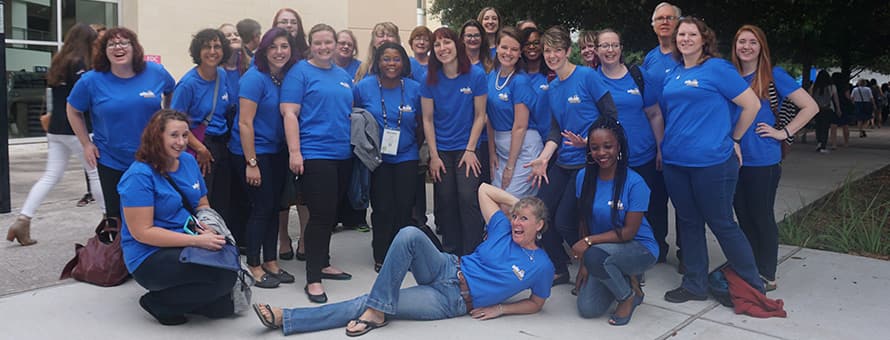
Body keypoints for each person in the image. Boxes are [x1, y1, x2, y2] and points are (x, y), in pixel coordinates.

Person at [251, 183, 554, 336]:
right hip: (447, 265)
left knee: (369, 301)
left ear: (539, 225)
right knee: (409, 233)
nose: (516, 222)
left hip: (452, 299)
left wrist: (501, 308)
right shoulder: (502, 227)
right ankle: (378, 312)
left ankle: (286, 317)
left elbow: (536, 303)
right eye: (516, 217)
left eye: (525, 219)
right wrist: (523, 204)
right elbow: (485, 190)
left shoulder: (540, 265)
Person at [660, 17, 765, 303]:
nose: (685, 39)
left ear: (704, 39)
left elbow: (751, 105)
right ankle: (694, 285)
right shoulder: (674, 72)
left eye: (692, 34)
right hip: (675, 162)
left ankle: (752, 284)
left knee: (721, 223)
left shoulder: (717, 69)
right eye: (681, 34)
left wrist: (734, 139)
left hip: (712, 162)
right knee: (689, 222)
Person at [119, 109, 236, 326]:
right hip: (150, 254)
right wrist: (196, 241)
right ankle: (157, 303)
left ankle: (189, 297)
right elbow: (142, 232)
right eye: (174, 135)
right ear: (157, 136)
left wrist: (208, 229)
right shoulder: (139, 176)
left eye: (185, 135)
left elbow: (202, 204)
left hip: (188, 240)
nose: (181, 142)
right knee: (223, 278)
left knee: (225, 300)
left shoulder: (189, 162)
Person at [525, 26, 616, 286]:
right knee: (538, 213)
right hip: (563, 161)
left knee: (565, 221)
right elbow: (556, 130)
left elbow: (611, 117)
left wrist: (589, 142)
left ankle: (592, 267)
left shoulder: (587, 76)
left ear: (567, 51)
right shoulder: (552, 87)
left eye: (556, 50)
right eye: (547, 50)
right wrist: (543, 158)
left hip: (588, 162)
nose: (551, 55)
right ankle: (559, 266)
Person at [731, 25, 818, 291]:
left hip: (763, 160)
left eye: (752, 42)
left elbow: (811, 106)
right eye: (741, 41)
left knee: (761, 216)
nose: (746, 46)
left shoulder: (773, 76)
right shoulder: (729, 76)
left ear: (762, 47)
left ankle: (767, 274)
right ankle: (750, 266)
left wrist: (784, 132)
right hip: (734, 160)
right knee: (743, 216)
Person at [67, 27, 175, 226]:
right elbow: (73, 110)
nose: (118, 47)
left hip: (151, 156)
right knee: (117, 217)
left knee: (157, 212)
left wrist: (165, 119)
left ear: (134, 47)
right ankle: (118, 255)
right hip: (111, 159)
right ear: (104, 51)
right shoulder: (91, 80)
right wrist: (86, 144)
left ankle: (153, 254)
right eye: (111, 44)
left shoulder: (155, 72)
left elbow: (171, 90)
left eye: (124, 42)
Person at [7, 23, 103, 246]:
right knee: (96, 173)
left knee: (51, 176)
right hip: (77, 128)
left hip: (56, 128)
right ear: (87, 42)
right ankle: (110, 221)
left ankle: (23, 220)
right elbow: (86, 97)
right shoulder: (81, 65)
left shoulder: (58, 61)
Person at [281, 24, 355, 303]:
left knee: (331, 214)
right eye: (318, 43)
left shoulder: (343, 75)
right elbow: (289, 113)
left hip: (342, 155)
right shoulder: (300, 72)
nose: (324, 47)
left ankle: (323, 262)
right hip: (314, 153)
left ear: (336, 44)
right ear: (310, 45)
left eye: (329, 42)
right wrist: (295, 152)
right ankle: (313, 279)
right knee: (320, 216)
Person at [591, 28, 668, 263]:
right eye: (604, 45)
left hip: (643, 153)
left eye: (614, 45)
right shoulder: (592, 78)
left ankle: (656, 250)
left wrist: (660, 148)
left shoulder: (638, 75)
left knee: (653, 205)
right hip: (611, 158)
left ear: (621, 48)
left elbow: (654, 113)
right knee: (618, 207)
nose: (610, 50)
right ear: (596, 50)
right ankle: (625, 254)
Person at [571, 116, 658, 326]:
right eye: (595, 147)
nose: (601, 153)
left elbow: (628, 232)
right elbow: (584, 220)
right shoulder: (584, 177)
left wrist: (589, 244)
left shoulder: (635, 183)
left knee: (596, 256)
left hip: (639, 248)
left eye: (607, 146)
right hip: (601, 251)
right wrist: (585, 263)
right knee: (587, 309)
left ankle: (628, 297)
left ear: (618, 146)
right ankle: (627, 280)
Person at [229, 27, 297, 289]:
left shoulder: (283, 77)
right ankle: (254, 265)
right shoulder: (254, 78)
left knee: (273, 208)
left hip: (276, 151)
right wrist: (251, 163)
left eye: (284, 46)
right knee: (261, 209)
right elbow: (245, 123)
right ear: (264, 50)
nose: (279, 52)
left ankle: (271, 260)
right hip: (254, 153)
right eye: (273, 47)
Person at [354, 42, 422, 272]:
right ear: (378, 62)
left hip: (407, 156)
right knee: (382, 208)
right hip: (377, 159)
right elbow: (354, 117)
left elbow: (423, 122)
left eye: (396, 59)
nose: (391, 64)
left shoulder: (414, 88)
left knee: (404, 207)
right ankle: (381, 254)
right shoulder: (364, 87)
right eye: (386, 59)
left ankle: (403, 254)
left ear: (403, 62)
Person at [421, 27, 488, 256]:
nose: (442, 49)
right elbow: (427, 119)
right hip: (442, 150)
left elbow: (480, 116)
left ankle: (472, 252)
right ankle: (450, 252)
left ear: (456, 45)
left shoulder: (476, 75)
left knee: (468, 197)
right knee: (446, 199)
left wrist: (470, 149)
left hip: (467, 148)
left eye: (446, 43)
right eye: (437, 45)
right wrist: (434, 155)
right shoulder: (429, 79)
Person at [170, 28, 232, 212]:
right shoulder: (188, 84)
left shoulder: (222, 75)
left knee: (223, 200)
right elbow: (174, 123)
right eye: (207, 47)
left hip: (222, 144)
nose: (212, 51)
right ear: (198, 51)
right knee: (202, 201)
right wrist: (201, 149)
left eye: (217, 46)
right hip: (200, 146)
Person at [486, 26, 541, 197]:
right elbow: (488, 118)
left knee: (509, 203)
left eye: (514, 49)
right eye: (504, 47)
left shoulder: (520, 81)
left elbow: (520, 126)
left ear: (520, 53)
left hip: (523, 149)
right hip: (501, 148)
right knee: (494, 199)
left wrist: (510, 167)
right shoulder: (491, 76)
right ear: (497, 47)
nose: (508, 53)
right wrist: (492, 153)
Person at [460, 20, 494, 186]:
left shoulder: (491, 65)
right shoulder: (456, 66)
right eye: (469, 35)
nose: (472, 39)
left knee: (485, 182)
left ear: (482, 38)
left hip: (488, 134)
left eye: (476, 35)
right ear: (462, 39)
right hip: (464, 134)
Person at [518, 27, 552, 142]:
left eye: (536, 43)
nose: (531, 47)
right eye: (527, 44)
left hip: (550, 140)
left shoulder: (552, 74)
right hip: (524, 141)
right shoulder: (516, 76)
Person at [642, 2, 682, 77]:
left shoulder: (687, 54)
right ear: (653, 25)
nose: (665, 22)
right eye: (660, 18)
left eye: (669, 18)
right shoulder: (650, 57)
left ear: (678, 23)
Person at [809, 70, 841, 153]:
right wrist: (838, 109)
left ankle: (819, 142)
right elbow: (835, 98)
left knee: (818, 126)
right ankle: (823, 145)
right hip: (828, 108)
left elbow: (810, 97)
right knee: (825, 127)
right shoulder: (832, 86)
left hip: (817, 109)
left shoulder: (814, 86)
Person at [831, 72, 854, 148]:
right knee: (845, 125)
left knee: (834, 125)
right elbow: (848, 97)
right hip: (844, 105)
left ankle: (834, 144)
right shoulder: (845, 86)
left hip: (834, 105)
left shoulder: (831, 86)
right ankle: (846, 142)